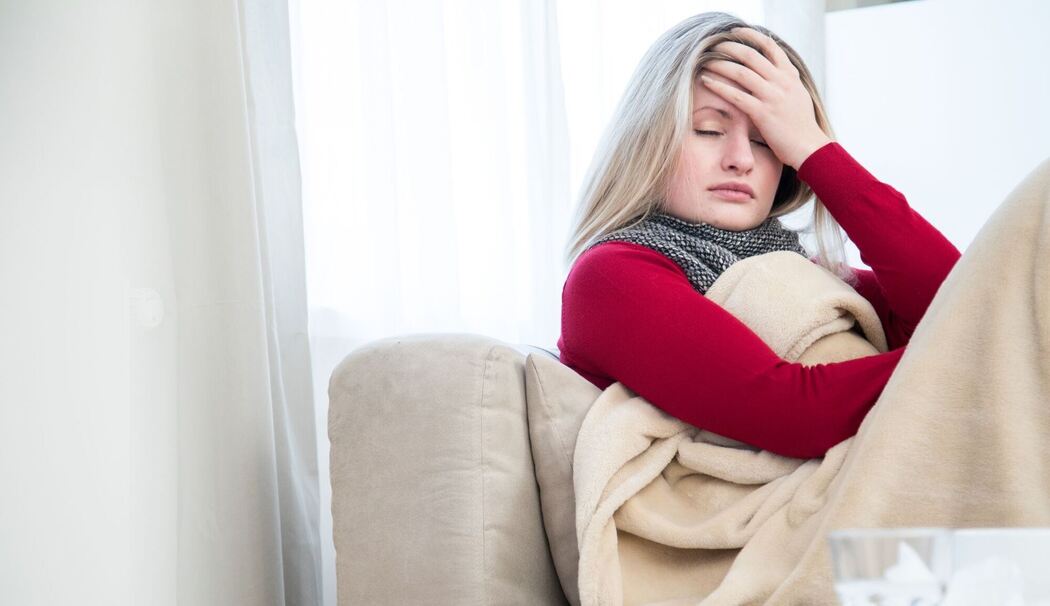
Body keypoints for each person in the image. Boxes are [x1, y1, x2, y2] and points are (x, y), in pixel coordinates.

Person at [556, 12, 961, 459]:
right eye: (709, 129)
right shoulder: (611, 276)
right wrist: (966, 360)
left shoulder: (805, 275)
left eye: (767, 139)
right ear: (649, 139)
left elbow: (958, 305)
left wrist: (815, 149)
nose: (741, 159)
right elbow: (796, 412)